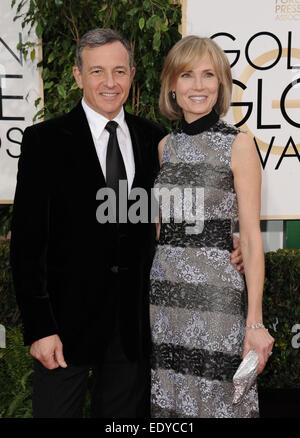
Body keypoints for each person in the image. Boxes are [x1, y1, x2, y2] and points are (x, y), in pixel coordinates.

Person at [10, 29, 244, 419]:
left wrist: (226, 242)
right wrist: (39, 328)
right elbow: (27, 246)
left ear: (132, 75)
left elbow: (176, 215)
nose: (109, 82)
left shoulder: (155, 140)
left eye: (119, 71)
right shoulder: (44, 142)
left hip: (133, 331)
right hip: (64, 330)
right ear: (77, 75)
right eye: (97, 71)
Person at [149, 35, 274, 418]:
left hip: (216, 301)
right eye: (187, 75)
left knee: (220, 399)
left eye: (208, 75)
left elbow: (251, 238)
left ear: (221, 84)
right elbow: (161, 230)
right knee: (172, 401)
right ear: (172, 84)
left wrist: (255, 322)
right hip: (164, 298)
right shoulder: (164, 146)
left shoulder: (239, 144)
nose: (198, 85)